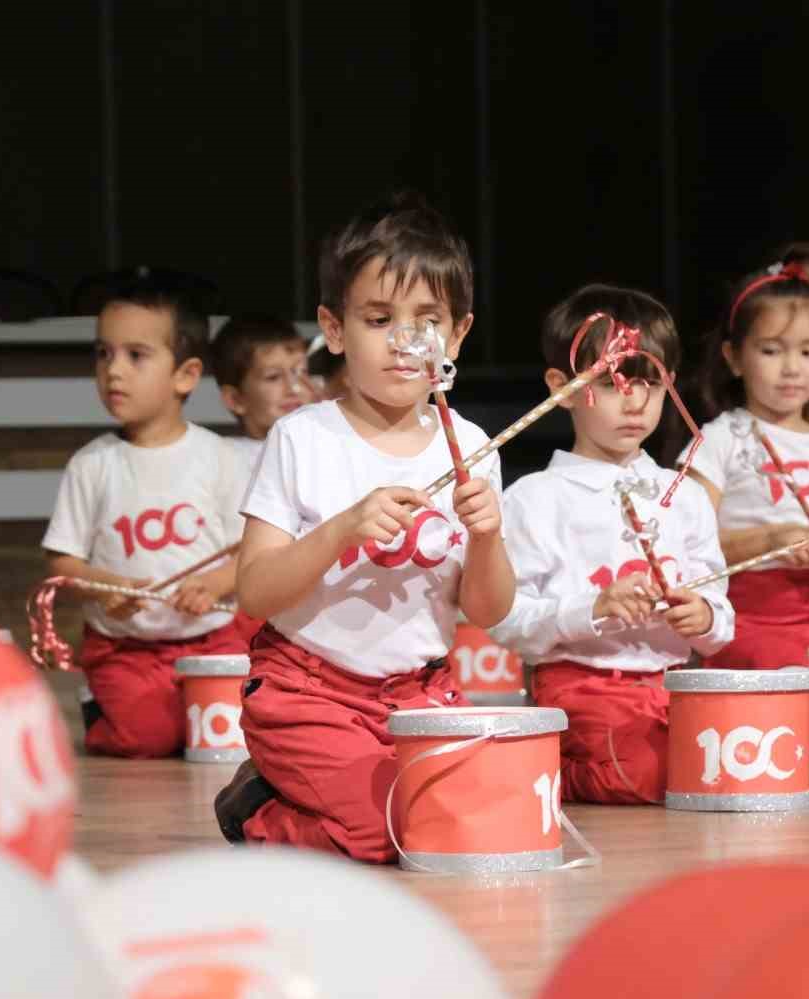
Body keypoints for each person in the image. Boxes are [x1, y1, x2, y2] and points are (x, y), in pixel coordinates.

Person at [215, 192, 513, 861]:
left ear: (459, 334)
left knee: (472, 825)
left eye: (427, 322)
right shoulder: (302, 438)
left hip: (420, 693)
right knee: (388, 831)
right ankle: (258, 807)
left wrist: (489, 538)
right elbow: (255, 593)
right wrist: (342, 529)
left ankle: (329, 794)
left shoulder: (472, 447)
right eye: (379, 319)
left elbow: (487, 611)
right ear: (336, 327)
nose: (405, 343)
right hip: (307, 693)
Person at [490, 283, 733, 803]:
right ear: (562, 387)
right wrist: (592, 610)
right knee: (649, 774)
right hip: (582, 687)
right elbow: (509, 625)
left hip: (674, 688)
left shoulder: (684, 494)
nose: (636, 401)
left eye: (652, 382)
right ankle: (540, 770)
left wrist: (704, 618)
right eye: (614, 381)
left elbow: (721, 615)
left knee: (725, 762)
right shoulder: (534, 498)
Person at [42, 280, 249, 757]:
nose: (113, 371)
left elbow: (251, 553)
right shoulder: (92, 464)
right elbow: (62, 563)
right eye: (103, 353)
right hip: (127, 648)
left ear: (186, 375)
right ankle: (102, 704)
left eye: (136, 355)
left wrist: (217, 584)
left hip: (212, 639)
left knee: (234, 736)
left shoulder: (220, 457)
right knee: (147, 740)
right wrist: (105, 585)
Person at [679, 243, 809, 671]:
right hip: (747, 631)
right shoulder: (718, 442)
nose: (792, 368)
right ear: (735, 357)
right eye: (771, 350)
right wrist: (770, 543)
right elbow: (683, 547)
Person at [210, 315, 316, 473]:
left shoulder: (328, 452)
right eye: (273, 377)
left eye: (302, 372)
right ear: (235, 400)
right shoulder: (223, 462)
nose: (294, 388)